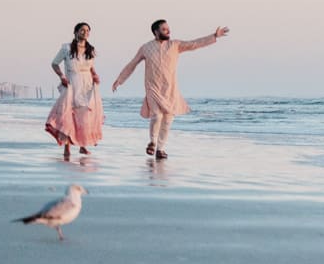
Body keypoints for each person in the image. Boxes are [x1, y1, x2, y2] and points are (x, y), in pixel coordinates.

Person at [112, 19, 230, 159]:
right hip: (152, 87)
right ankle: (152, 142)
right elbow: (132, 64)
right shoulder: (145, 48)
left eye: (168, 28)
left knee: (168, 119)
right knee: (157, 115)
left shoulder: (175, 45)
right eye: (164, 29)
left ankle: (160, 149)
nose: (168, 31)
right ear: (156, 32)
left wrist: (214, 36)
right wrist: (120, 80)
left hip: (170, 89)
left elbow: (194, 44)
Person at [45, 22, 104, 160]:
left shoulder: (91, 50)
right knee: (68, 116)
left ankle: (83, 146)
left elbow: (90, 67)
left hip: (87, 85)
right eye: (82, 30)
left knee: (84, 116)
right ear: (76, 32)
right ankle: (67, 147)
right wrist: (61, 76)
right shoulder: (66, 48)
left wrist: (95, 75)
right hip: (71, 84)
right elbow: (54, 63)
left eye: (87, 30)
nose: (85, 32)